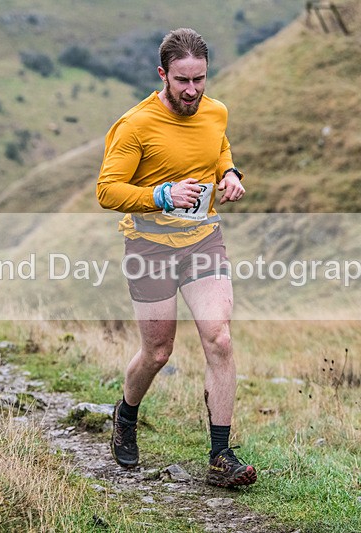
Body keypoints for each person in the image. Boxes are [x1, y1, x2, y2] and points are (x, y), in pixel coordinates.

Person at [96, 28, 256, 488]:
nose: (191, 90)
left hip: (203, 240)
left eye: (199, 79)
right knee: (158, 352)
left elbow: (218, 145)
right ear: (162, 75)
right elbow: (107, 191)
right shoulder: (135, 125)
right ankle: (126, 415)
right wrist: (162, 195)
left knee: (219, 338)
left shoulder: (216, 111)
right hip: (149, 246)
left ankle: (221, 456)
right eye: (182, 80)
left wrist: (229, 173)